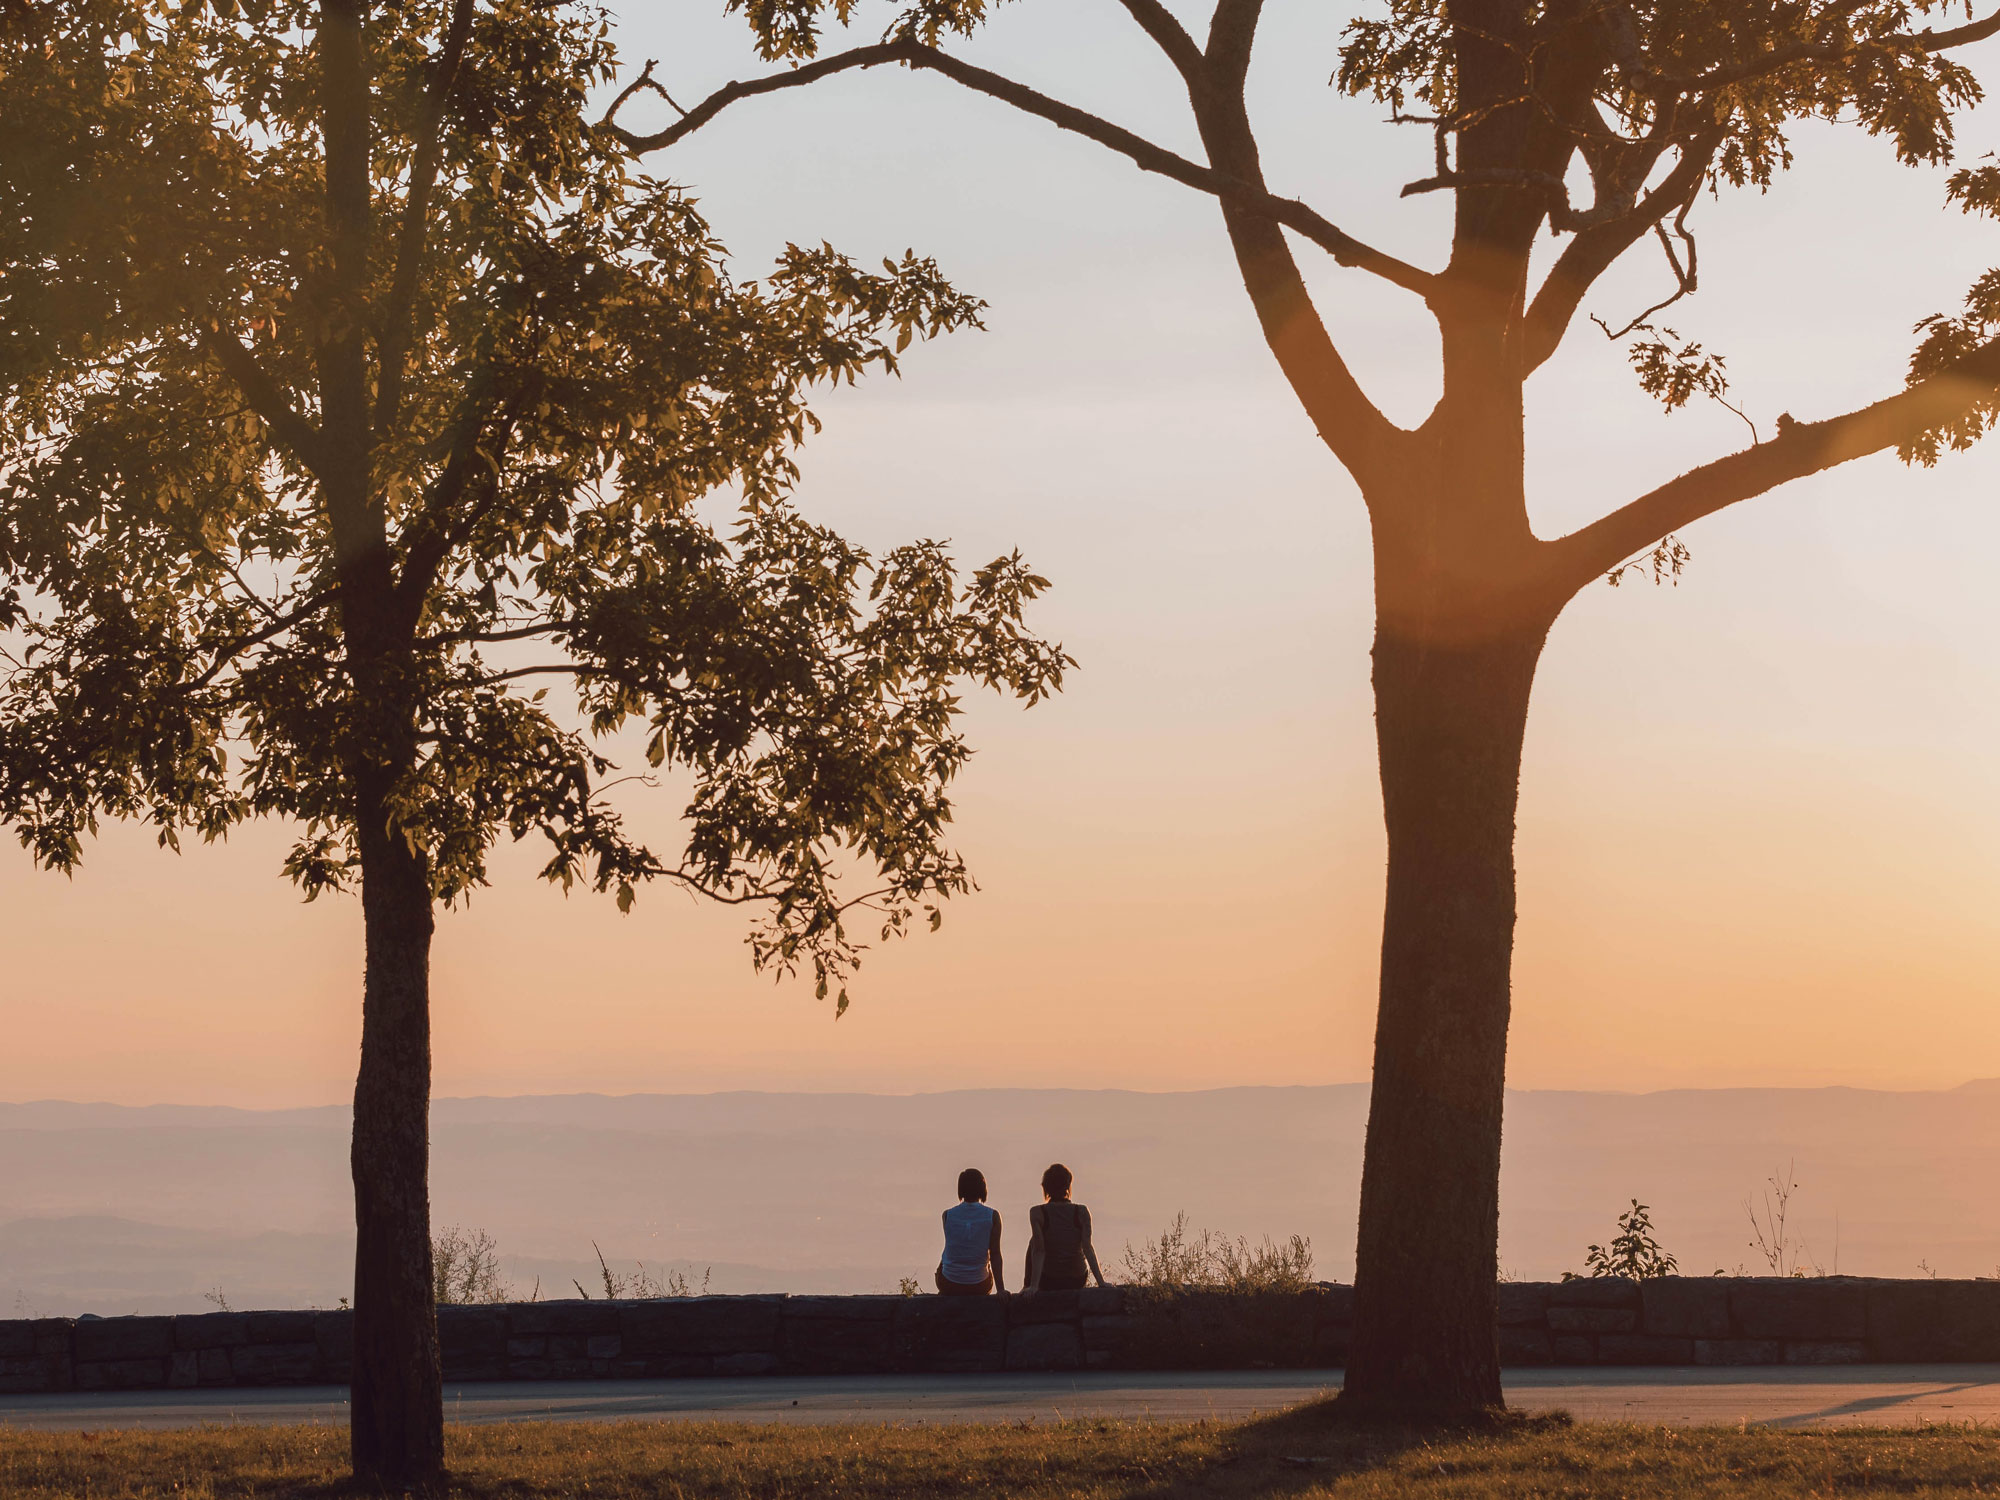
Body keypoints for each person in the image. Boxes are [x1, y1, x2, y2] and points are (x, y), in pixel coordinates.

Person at [1024, 1162, 1105, 1293]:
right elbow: (1087, 1248)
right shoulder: (1082, 1211)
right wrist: (1101, 1282)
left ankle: (1026, 1286)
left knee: (1034, 1241)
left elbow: (1039, 1250)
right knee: (1035, 1241)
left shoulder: (1037, 1212)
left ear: (1046, 1187)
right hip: (1077, 1278)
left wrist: (1033, 1286)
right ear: (1068, 1186)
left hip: (1049, 1279)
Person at [936, 1167, 1005, 1295]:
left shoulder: (947, 1215)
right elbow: (995, 1253)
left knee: (944, 1260)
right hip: (979, 1285)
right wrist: (1000, 1289)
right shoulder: (993, 1216)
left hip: (949, 1283)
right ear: (983, 1189)